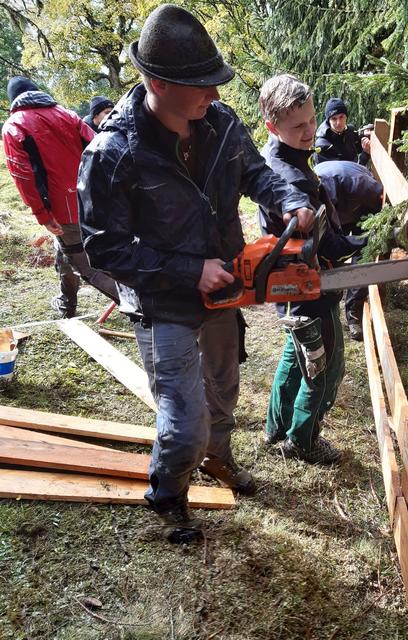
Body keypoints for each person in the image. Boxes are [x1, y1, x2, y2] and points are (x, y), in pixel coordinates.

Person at [78, 5, 314, 543]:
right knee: (183, 422)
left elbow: (258, 174)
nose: (212, 93)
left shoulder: (221, 122)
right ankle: (168, 492)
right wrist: (188, 271)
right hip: (163, 301)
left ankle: (218, 459)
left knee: (223, 392)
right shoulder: (114, 154)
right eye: (201, 85)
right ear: (159, 82)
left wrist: (291, 201)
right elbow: (104, 247)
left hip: (226, 284)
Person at [258, 74, 366, 465]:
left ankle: (276, 426)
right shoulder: (286, 177)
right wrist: (345, 245)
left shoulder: (287, 157)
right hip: (307, 290)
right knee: (325, 367)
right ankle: (301, 441)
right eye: (297, 126)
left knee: (295, 355)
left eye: (310, 120)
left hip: (295, 294)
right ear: (272, 127)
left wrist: (349, 241)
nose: (309, 132)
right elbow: (311, 236)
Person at [2, 76, 119, 318]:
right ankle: (67, 304)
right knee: (66, 253)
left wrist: (42, 215)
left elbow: (23, 176)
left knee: (86, 267)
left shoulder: (15, 125)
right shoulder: (67, 114)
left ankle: (146, 307)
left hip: (62, 210)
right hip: (93, 199)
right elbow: (100, 147)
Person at [314, 160, 383, 341]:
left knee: (363, 256)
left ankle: (353, 313)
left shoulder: (363, 186)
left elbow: (382, 198)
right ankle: (332, 297)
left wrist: (374, 234)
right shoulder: (314, 191)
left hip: (363, 208)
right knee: (332, 250)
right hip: (337, 211)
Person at [313, 97, 371, 166]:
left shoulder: (349, 131)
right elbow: (344, 174)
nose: (339, 123)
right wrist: (365, 155)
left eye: (341, 117)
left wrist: (364, 135)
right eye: (334, 119)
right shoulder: (323, 145)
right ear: (329, 121)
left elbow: (355, 146)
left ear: (346, 117)